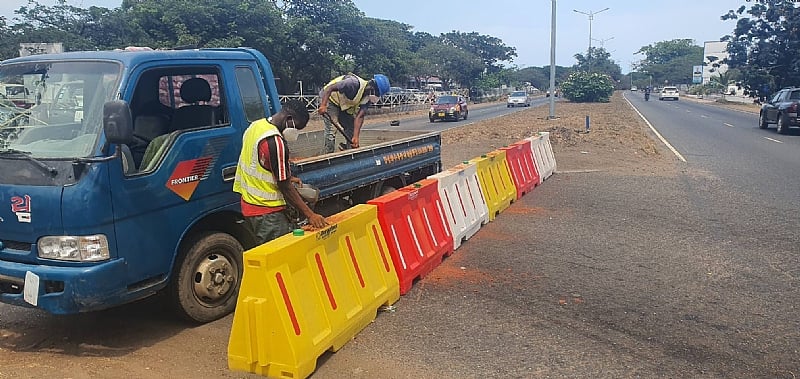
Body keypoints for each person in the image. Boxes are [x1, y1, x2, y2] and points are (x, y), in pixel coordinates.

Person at [233, 100, 327, 245]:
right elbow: (285, 186)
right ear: (289, 119)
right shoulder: (275, 142)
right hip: (268, 211)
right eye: (297, 128)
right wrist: (310, 214)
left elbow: (260, 164)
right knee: (280, 258)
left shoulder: (256, 126)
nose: (296, 133)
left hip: (249, 205)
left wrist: (289, 177)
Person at [317, 73, 390, 153]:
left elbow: (360, 116)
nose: (377, 97)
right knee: (332, 129)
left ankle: (349, 152)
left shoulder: (367, 98)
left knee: (350, 126)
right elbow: (329, 88)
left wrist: (355, 137)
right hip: (329, 99)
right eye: (378, 94)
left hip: (343, 105)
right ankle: (328, 155)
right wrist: (323, 105)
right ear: (372, 88)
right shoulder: (353, 83)